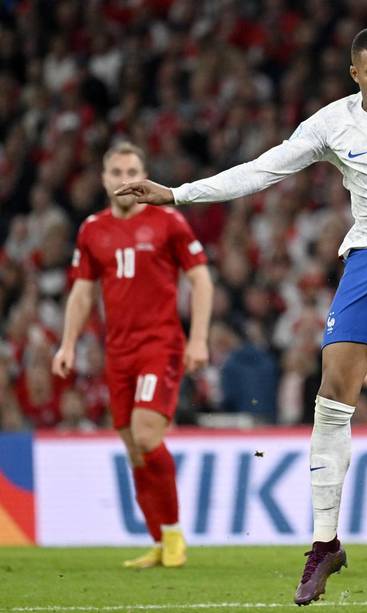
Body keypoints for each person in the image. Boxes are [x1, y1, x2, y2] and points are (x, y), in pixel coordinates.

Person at [112, 27, 367, 604]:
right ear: (354, 74)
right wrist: (179, 194)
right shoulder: (333, 123)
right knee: (332, 398)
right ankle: (325, 544)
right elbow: (263, 169)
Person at [51, 141, 213, 568]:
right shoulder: (92, 230)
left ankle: (175, 533)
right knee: (134, 449)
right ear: (104, 180)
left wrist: (197, 339)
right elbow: (82, 292)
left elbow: (201, 281)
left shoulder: (168, 222)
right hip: (116, 352)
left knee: (145, 435)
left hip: (160, 345)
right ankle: (159, 540)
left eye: (132, 172)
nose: (125, 180)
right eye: (117, 173)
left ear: (143, 176)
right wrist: (67, 343)